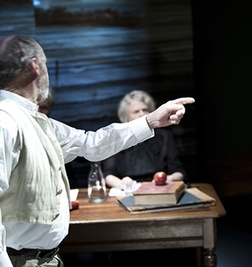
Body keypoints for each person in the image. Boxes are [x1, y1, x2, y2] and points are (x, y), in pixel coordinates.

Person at [0, 34, 194, 267]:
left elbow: (92, 144)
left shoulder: (35, 120)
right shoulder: (6, 120)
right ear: (35, 66)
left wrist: (151, 120)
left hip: (43, 258)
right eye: (46, 64)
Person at [103, 90, 187, 191]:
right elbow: (108, 174)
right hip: (127, 191)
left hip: (160, 189)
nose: (141, 114)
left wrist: (169, 178)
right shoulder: (117, 138)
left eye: (145, 110)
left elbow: (179, 172)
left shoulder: (164, 136)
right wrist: (120, 183)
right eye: (136, 111)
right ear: (126, 117)